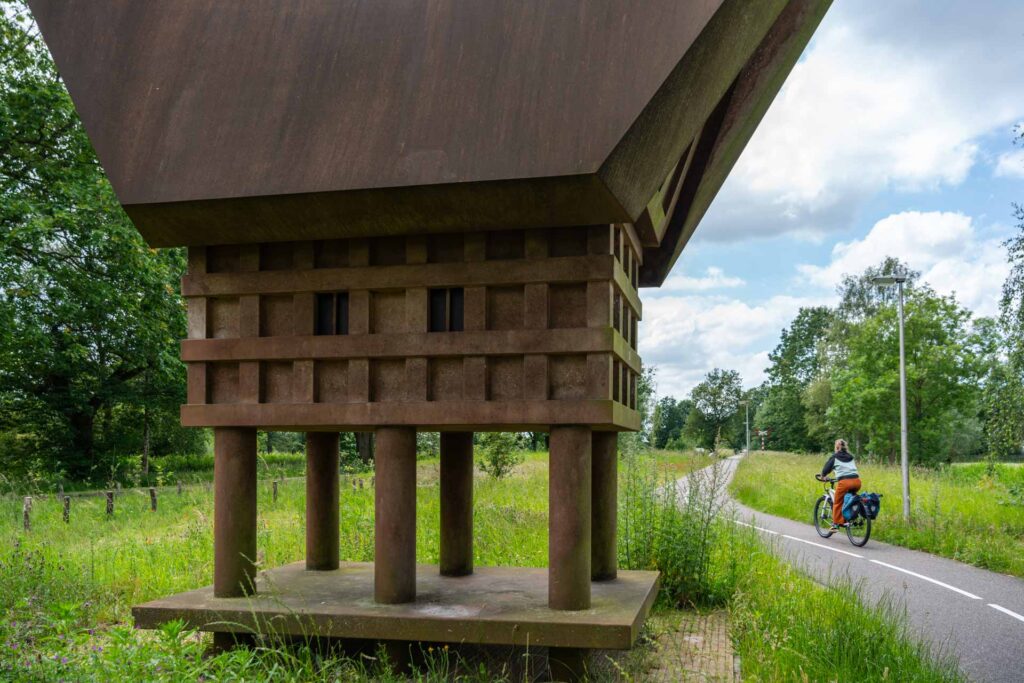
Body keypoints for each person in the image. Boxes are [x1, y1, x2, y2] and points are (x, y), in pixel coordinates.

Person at [816, 439, 861, 529]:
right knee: (849, 499)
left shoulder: (835, 457)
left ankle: (836, 524)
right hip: (857, 482)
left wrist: (823, 476)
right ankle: (850, 518)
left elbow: (826, 469)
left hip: (845, 483)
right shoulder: (851, 456)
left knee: (837, 502)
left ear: (837, 447)